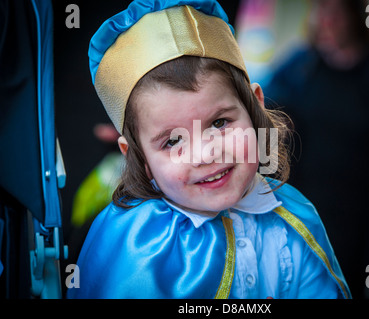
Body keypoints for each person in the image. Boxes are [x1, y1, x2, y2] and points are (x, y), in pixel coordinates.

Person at [66, 0, 350, 299]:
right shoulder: (134, 243)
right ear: (138, 157)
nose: (205, 154)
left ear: (255, 105)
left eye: (219, 122)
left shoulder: (294, 219)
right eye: (172, 141)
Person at [264, 0, 369, 298]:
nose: (325, 20)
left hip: (359, 219)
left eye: (335, 11)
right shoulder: (299, 67)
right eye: (320, 10)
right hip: (303, 209)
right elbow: (264, 118)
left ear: (357, 17)